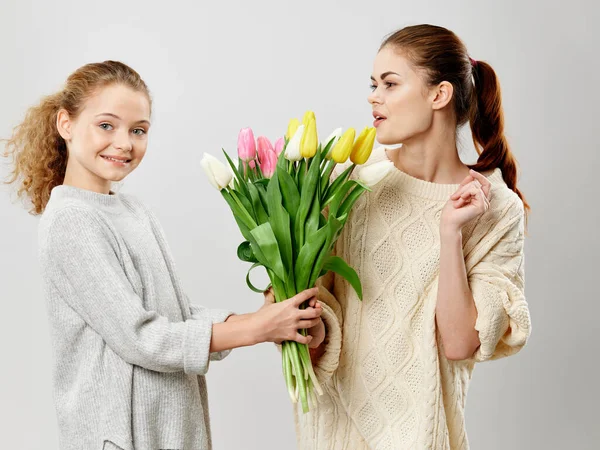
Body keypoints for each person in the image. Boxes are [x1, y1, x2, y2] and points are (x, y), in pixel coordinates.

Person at [2, 60, 322, 450]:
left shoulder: (133, 212)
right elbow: (142, 338)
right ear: (65, 124)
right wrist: (256, 330)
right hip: (124, 437)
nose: (124, 143)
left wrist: (259, 318)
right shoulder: (71, 221)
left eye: (138, 130)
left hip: (173, 427)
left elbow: (175, 315)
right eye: (106, 125)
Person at [266, 24, 532, 449]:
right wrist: (304, 326)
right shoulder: (347, 177)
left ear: (439, 95)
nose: (374, 96)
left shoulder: (496, 208)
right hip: (336, 430)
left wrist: (450, 235)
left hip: (424, 434)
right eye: (373, 84)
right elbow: (321, 308)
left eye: (390, 84)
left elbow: (461, 343)